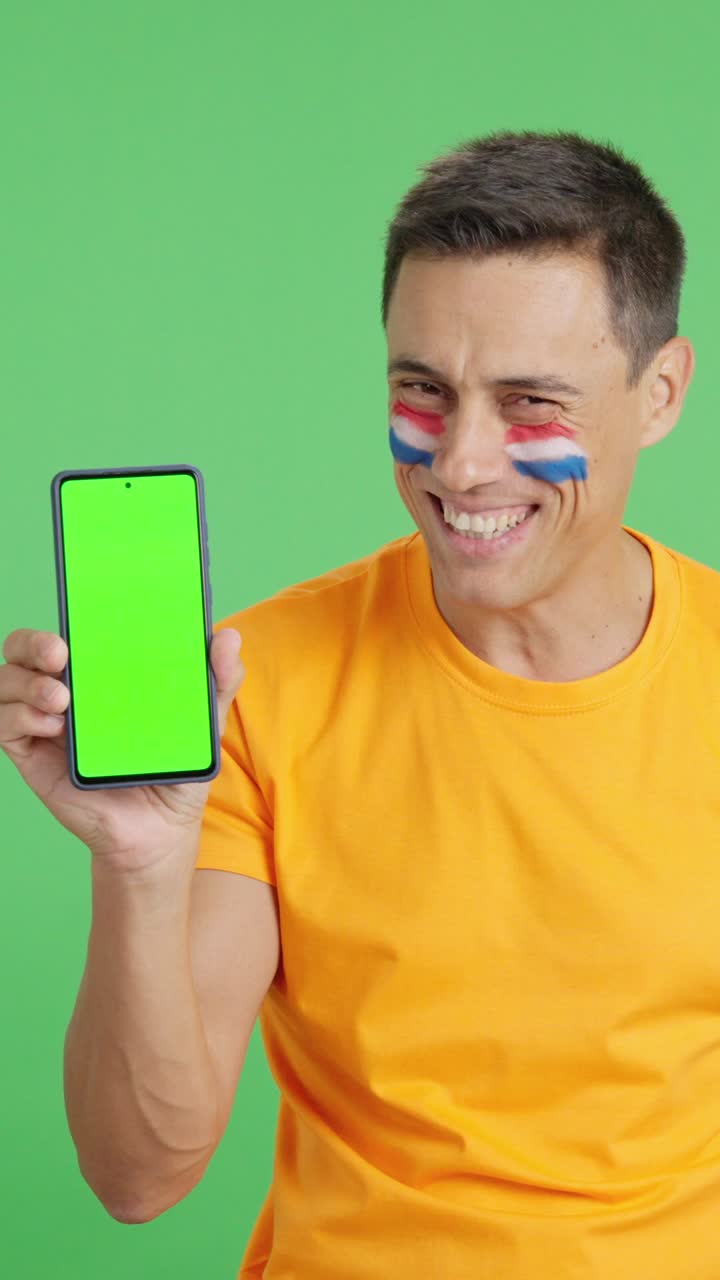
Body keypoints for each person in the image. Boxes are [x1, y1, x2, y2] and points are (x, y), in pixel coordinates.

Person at [2, 127, 717, 1278]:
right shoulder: (261, 684)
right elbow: (140, 1175)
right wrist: (140, 866)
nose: (462, 462)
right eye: (422, 391)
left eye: (532, 401)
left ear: (663, 389)